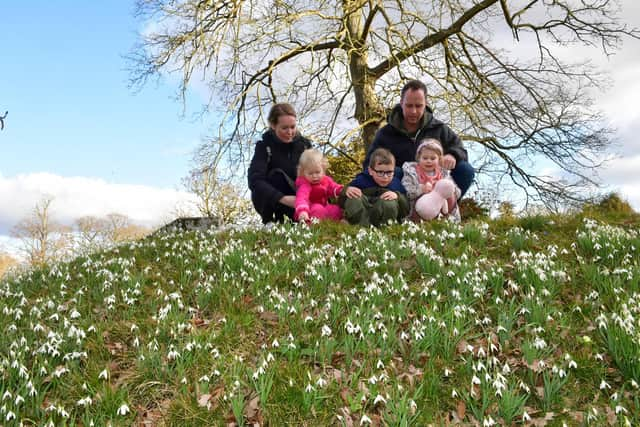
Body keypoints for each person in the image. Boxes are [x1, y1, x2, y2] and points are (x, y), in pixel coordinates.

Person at [363, 79, 474, 198]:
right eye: (409, 106)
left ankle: (447, 210)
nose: (413, 111)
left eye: (418, 106)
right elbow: (369, 164)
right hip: (403, 187)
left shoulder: (440, 128)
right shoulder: (385, 133)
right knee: (392, 173)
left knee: (465, 169)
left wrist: (452, 155)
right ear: (401, 103)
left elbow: (461, 150)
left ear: (426, 103)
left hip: (435, 182)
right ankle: (402, 210)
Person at [248, 103, 312, 224]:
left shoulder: (305, 145)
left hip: (302, 197)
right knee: (274, 177)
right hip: (277, 199)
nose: (290, 132)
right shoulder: (264, 147)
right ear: (273, 125)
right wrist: (282, 198)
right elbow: (254, 180)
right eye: (284, 128)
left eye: (293, 127)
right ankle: (272, 222)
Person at [339, 148, 409, 226]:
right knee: (354, 197)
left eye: (389, 172)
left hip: (383, 218)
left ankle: (385, 229)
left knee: (389, 203)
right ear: (371, 171)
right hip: (363, 215)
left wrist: (398, 196)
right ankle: (357, 226)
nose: (385, 177)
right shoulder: (361, 180)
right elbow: (341, 201)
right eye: (380, 172)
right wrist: (346, 190)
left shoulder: (396, 184)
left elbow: (406, 209)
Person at [402, 138, 461, 222]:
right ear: (419, 158)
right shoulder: (412, 172)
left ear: (439, 159)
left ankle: (446, 221)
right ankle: (419, 224)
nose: (429, 161)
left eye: (433, 158)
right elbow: (407, 191)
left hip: (441, 207)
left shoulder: (443, 173)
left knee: (450, 194)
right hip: (419, 209)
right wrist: (421, 189)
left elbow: (456, 192)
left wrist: (449, 190)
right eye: (425, 158)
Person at [294, 149, 344, 223]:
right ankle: (314, 227)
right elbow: (302, 198)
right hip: (310, 208)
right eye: (310, 173)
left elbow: (333, 187)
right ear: (303, 173)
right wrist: (302, 211)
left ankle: (335, 225)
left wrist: (341, 190)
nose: (314, 176)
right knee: (318, 209)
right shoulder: (305, 184)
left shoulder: (326, 180)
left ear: (323, 170)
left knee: (335, 209)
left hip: (324, 206)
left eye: (317, 172)